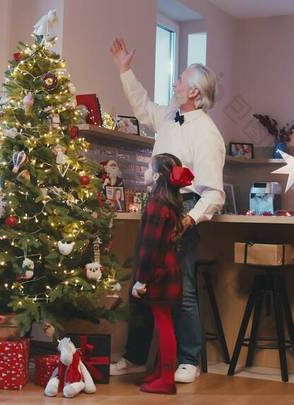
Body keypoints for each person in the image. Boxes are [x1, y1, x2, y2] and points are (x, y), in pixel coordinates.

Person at [109, 37, 225, 383]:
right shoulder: (170, 118)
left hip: (182, 210)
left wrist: (188, 220)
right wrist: (124, 69)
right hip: (155, 205)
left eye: (179, 80)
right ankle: (134, 356)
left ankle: (190, 360)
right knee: (141, 281)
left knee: (184, 288)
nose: (174, 83)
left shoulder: (206, 133)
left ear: (193, 92)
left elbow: (214, 193)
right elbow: (143, 107)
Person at [131, 154, 194, 394]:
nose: (145, 172)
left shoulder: (157, 204)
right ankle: (160, 371)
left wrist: (142, 279)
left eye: (148, 168)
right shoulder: (168, 202)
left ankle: (166, 378)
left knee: (164, 323)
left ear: (157, 175)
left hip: (158, 272)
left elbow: (149, 248)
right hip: (168, 268)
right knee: (163, 320)